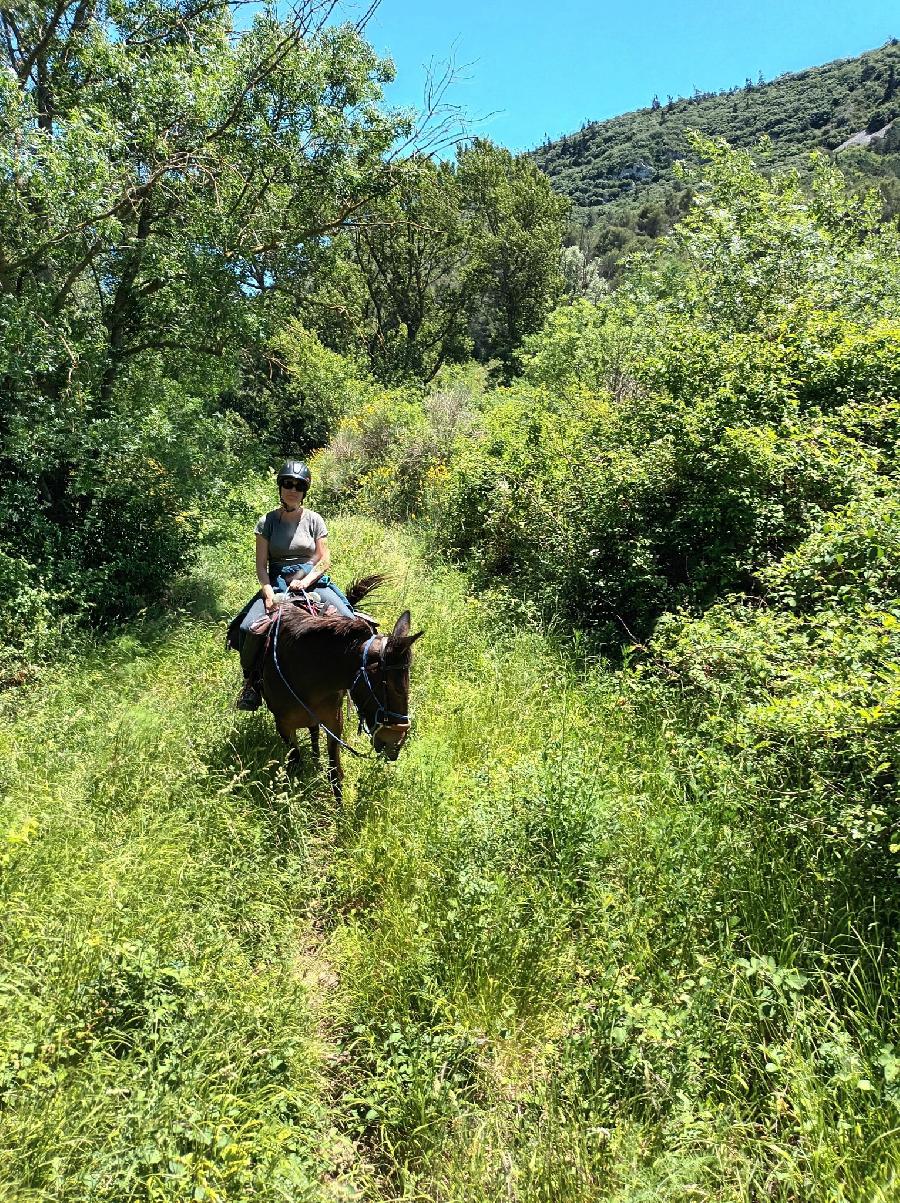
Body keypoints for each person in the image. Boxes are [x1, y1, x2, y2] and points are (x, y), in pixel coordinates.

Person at [235, 459, 355, 711]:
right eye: (288, 484)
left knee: (349, 622)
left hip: (312, 580)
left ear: (304, 491)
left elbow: (324, 559)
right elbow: (260, 566)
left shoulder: (314, 520)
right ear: (280, 487)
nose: (292, 489)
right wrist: (268, 592)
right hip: (277, 582)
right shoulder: (266, 522)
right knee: (248, 629)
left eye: (298, 486)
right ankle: (252, 683)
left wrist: (306, 580)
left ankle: (354, 682)